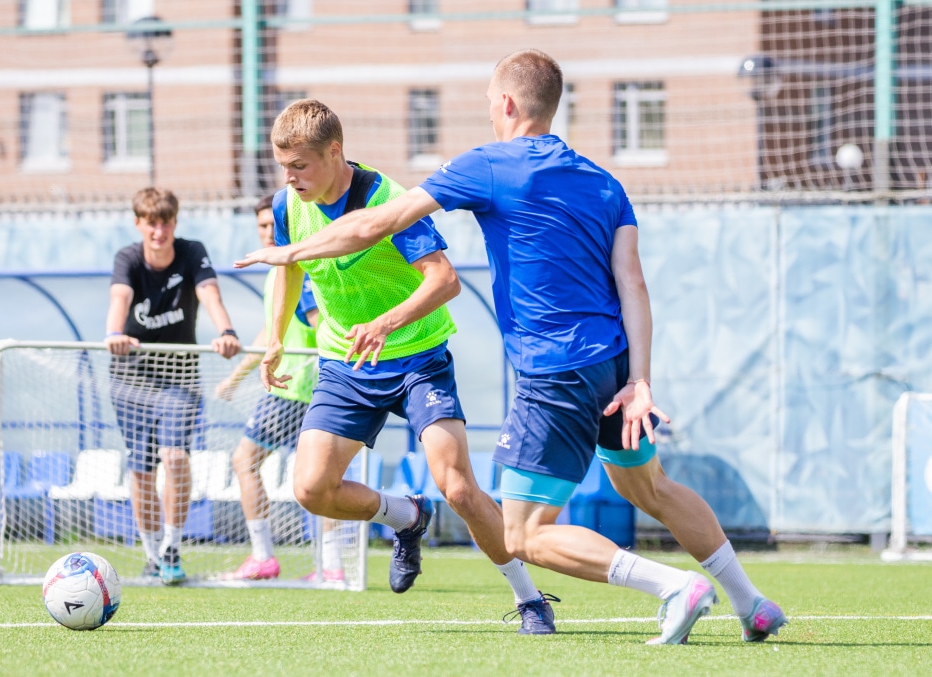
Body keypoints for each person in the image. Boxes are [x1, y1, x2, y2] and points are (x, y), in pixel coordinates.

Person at [234, 51, 788, 645]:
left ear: (505, 103)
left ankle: (673, 587)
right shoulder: (605, 182)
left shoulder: (489, 165)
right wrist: (641, 381)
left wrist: (287, 253)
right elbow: (634, 283)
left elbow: (376, 224)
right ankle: (752, 604)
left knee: (523, 533)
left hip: (553, 372)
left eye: (488, 104)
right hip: (615, 366)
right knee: (651, 487)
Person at [237, 98, 557, 634]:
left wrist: (386, 323)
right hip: (346, 363)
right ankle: (407, 516)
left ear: (334, 152)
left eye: (299, 166)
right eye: (283, 166)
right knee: (312, 489)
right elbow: (291, 267)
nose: (289, 178)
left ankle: (531, 599)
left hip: (417, 358)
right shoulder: (287, 206)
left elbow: (445, 280)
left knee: (459, 487)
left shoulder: (386, 200)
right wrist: (274, 337)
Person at [106, 187, 242, 585]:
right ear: (138, 224)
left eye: (165, 223)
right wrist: (113, 334)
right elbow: (119, 298)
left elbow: (209, 293)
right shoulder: (128, 258)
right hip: (130, 378)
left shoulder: (192, 252)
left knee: (176, 457)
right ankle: (151, 554)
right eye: (151, 223)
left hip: (179, 377)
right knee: (142, 468)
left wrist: (227, 332)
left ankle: (171, 547)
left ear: (175, 223)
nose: (159, 231)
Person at [216, 195, 344, 582]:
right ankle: (332, 567)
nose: (269, 232)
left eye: (274, 225)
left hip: (294, 389)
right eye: (262, 226)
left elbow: (324, 324)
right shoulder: (278, 271)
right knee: (320, 478)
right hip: (300, 388)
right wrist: (235, 378)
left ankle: (263, 557)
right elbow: (270, 334)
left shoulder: (297, 269)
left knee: (245, 461)